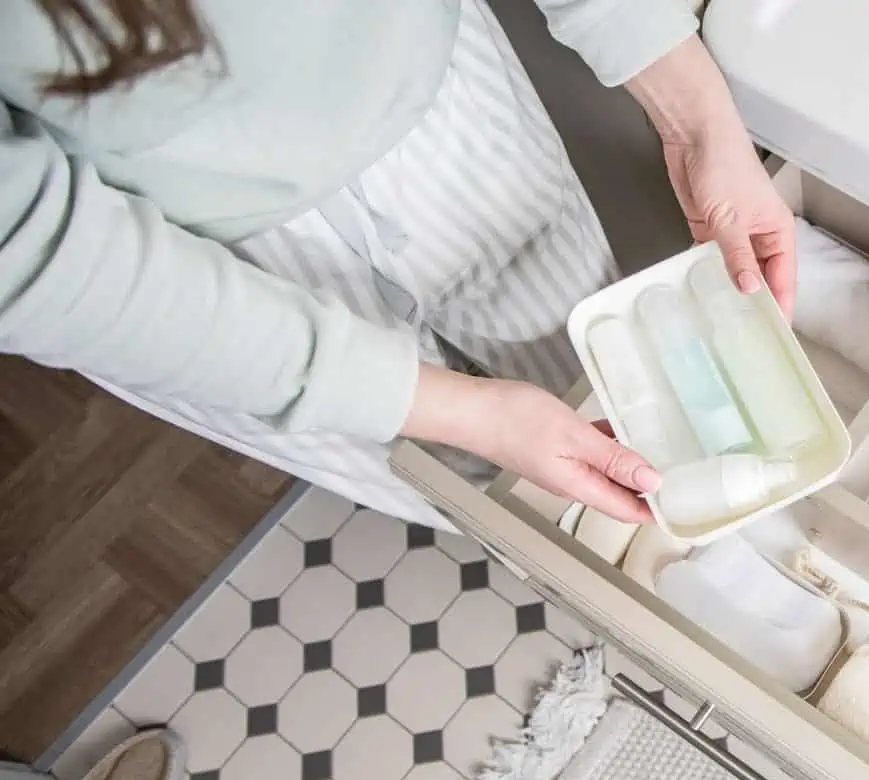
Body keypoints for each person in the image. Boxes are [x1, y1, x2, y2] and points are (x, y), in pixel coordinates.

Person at [0, 0, 797, 529]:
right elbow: (33, 257)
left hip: (435, 89)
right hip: (179, 260)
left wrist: (695, 116)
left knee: (588, 381)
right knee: (475, 484)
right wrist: (464, 413)